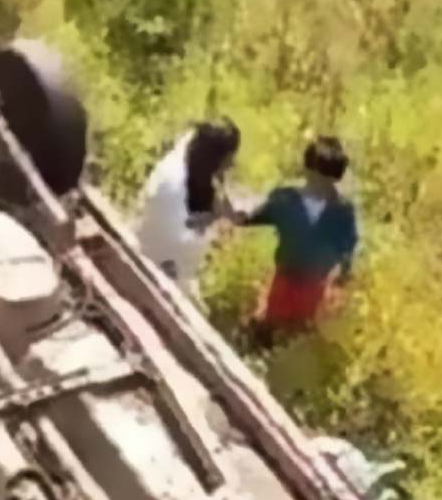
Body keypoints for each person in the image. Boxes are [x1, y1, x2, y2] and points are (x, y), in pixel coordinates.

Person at [230, 135, 359, 343]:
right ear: (307, 172)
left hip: (314, 287)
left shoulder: (342, 212)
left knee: (298, 336)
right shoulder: (286, 200)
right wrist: (232, 213)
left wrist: (344, 275)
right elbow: (254, 216)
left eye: (329, 180)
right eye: (318, 178)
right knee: (268, 328)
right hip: (285, 279)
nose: (323, 185)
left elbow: (348, 247)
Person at [136, 119, 241, 298]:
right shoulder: (175, 186)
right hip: (156, 267)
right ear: (214, 159)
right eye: (228, 159)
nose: (232, 165)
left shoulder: (189, 152)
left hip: (155, 247)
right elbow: (178, 244)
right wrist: (214, 221)